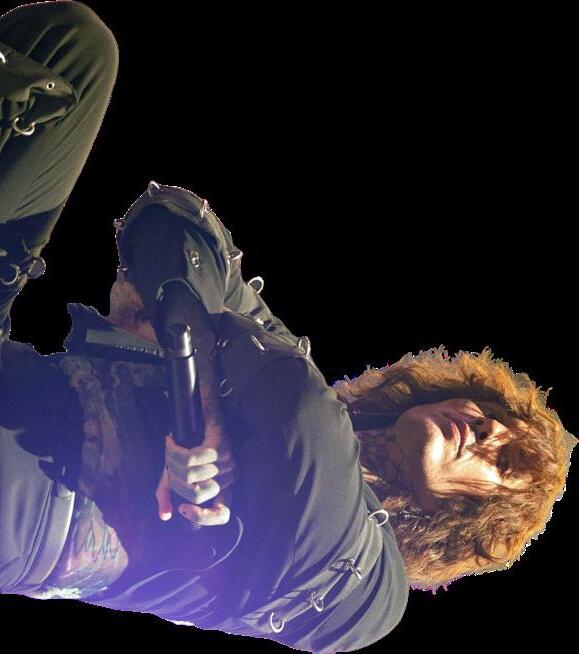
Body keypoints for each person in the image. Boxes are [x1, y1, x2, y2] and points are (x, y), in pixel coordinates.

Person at [1, 2, 576, 653]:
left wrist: (195, 339)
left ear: (472, 518)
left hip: (25, 498)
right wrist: (199, 370)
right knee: (72, 52)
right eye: (493, 416)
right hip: (13, 371)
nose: (487, 430)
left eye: (504, 460)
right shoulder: (279, 363)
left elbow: (299, 416)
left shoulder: (368, 597)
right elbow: (173, 220)